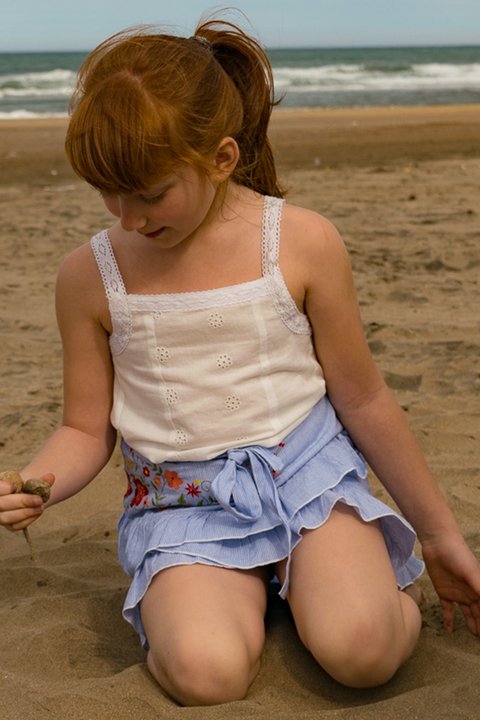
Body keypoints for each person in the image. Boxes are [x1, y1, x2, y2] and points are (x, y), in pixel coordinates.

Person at [1, 15, 479, 707]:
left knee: (362, 651)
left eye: (150, 193)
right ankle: (236, 594)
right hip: (182, 502)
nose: (127, 217)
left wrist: (438, 536)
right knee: (207, 674)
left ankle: (336, 584)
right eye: (109, 194)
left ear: (221, 159)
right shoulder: (89, 276)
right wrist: (38, 482)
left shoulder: (301, 243)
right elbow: (84, 429)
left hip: (306, 482)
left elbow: (365, 398)